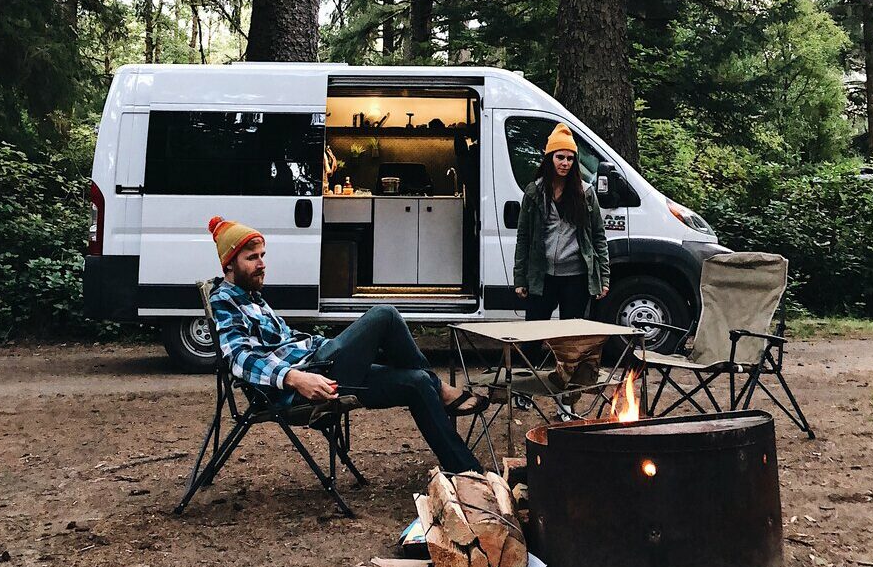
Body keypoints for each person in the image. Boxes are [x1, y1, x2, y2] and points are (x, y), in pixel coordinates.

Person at [206, 216, 488, 473]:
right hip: (307, 386)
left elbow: (288, 340)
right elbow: (238, 357)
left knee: (418, 382)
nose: (261, 264)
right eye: (252, 258)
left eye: (262, 256)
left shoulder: (252, 297)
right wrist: (295, 378)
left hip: (321, 367)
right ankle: (442, 389)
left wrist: (342, 346)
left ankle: (468, 472)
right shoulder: (225, 300)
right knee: (385, 315)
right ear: (229, 263)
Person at [512, 123, 611, 416]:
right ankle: (523, 390)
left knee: (572, 343)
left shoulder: (585, 193)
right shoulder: (535, 192)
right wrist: (520, 278)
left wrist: (603, 277)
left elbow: (598, 237)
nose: (565, 163)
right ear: (549, 158)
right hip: (542, 276)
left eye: (570, 158)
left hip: (575, 277)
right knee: (533, 335)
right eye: (560, 157)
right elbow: (523, 237)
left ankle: (567, 401)